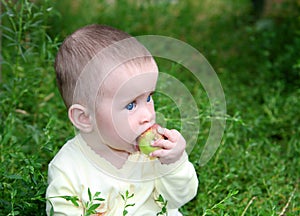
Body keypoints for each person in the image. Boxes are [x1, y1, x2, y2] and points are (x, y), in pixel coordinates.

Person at [46, 24, 198, 215]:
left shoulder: (153, 155)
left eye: (149, 97)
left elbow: (179, 198)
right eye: (131, 105)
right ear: (84, 118)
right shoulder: (68, 171)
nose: (148, 115)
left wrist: (174, 163)